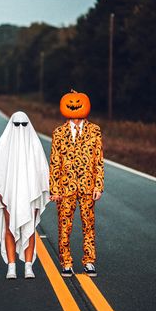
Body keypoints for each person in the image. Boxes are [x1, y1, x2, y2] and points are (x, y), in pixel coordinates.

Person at [0, 111, 49, 279]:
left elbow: (42, 171)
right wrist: (0, 194)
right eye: (16, 125)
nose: (20, 128)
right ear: (11, 125)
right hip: (10, 194)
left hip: (31, 194)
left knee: (30, 227)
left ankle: (29, 266)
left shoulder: (34, 144)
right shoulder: (5, 145)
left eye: (24, 125)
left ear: (28, 125)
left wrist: (39, 194)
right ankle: (11, 266)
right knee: (9, 228)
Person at [49, 90, 104, 277]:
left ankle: (89, 261)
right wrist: (54, 188)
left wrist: (98, 185)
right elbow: (55, 161)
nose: (74, 104)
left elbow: (99, 160)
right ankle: (66, 261)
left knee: (89, 223)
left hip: (88, 185)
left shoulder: (95, 131)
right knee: (65, 225)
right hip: (66, 187)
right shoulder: (59, 133)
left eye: (78, 102)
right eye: (71, 102)